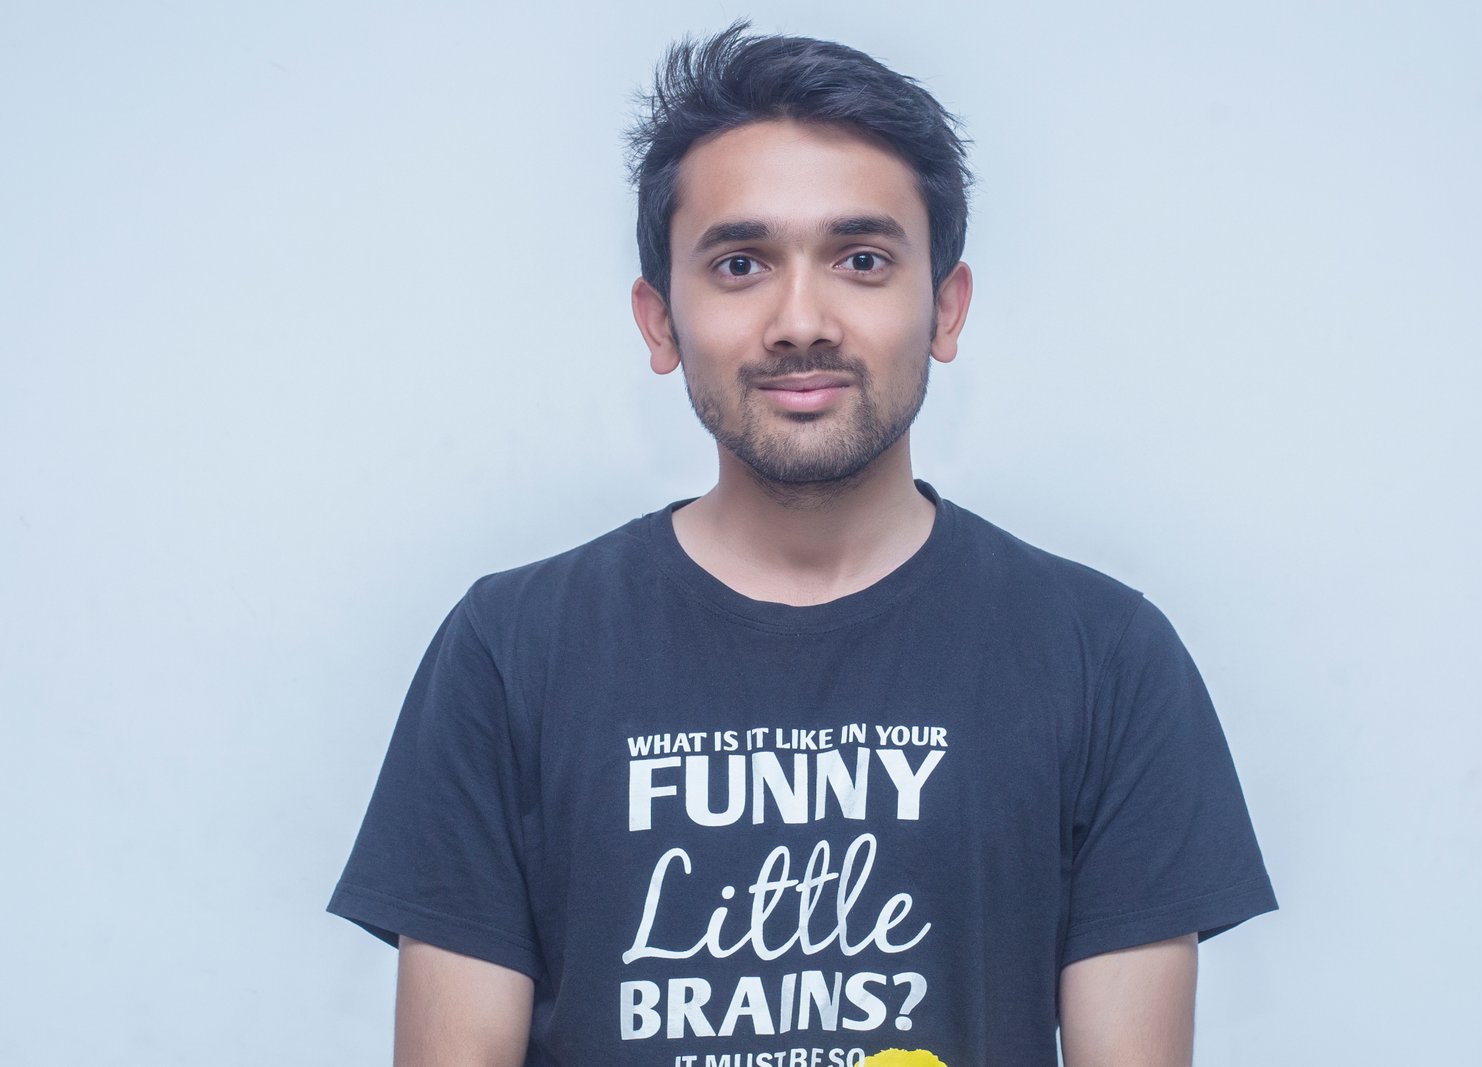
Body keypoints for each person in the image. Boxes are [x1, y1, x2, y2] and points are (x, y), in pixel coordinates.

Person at [328, 22, 1277, 1067]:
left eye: (861, 260)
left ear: (944, 308)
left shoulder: (1105, 656)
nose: (800, 319)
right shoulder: (509, 649)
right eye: (740, 263)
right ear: (660, 321)